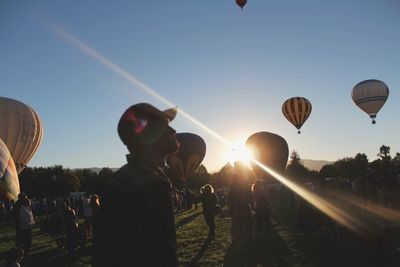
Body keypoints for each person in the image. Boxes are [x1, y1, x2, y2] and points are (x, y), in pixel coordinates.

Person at [93, 103, 179, 267]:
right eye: (165, 127)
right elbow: (162, 253)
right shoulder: (150, 182)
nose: (173, 131)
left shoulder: (122, 179)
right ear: (151, 136)